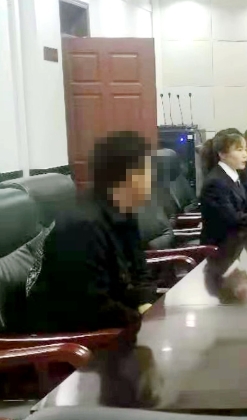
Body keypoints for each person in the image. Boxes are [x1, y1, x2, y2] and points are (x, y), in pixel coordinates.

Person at [26, 131, 158, 332]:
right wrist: (142, 321)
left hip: (113, 320)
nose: (153, 178)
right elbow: (90, 308)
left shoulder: (125, 212)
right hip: (70, 339)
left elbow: (140, 272)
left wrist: (146, 304)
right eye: (148, 171)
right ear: (128, 176)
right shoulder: (83, 226)